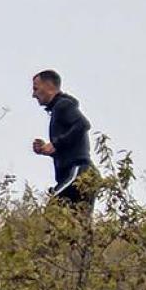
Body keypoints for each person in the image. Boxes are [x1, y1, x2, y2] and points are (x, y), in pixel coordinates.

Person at [31, 70, 94, 209]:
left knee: (51, 213)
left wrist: (56, 144)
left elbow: (83, 124)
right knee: (77, 223)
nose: (33, 94)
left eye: (36, 88)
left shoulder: (63, 105)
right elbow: (71, 146)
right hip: (83, 175)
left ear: (49, 86)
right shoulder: (58, 110)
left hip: (78, 172)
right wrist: (48, 150)